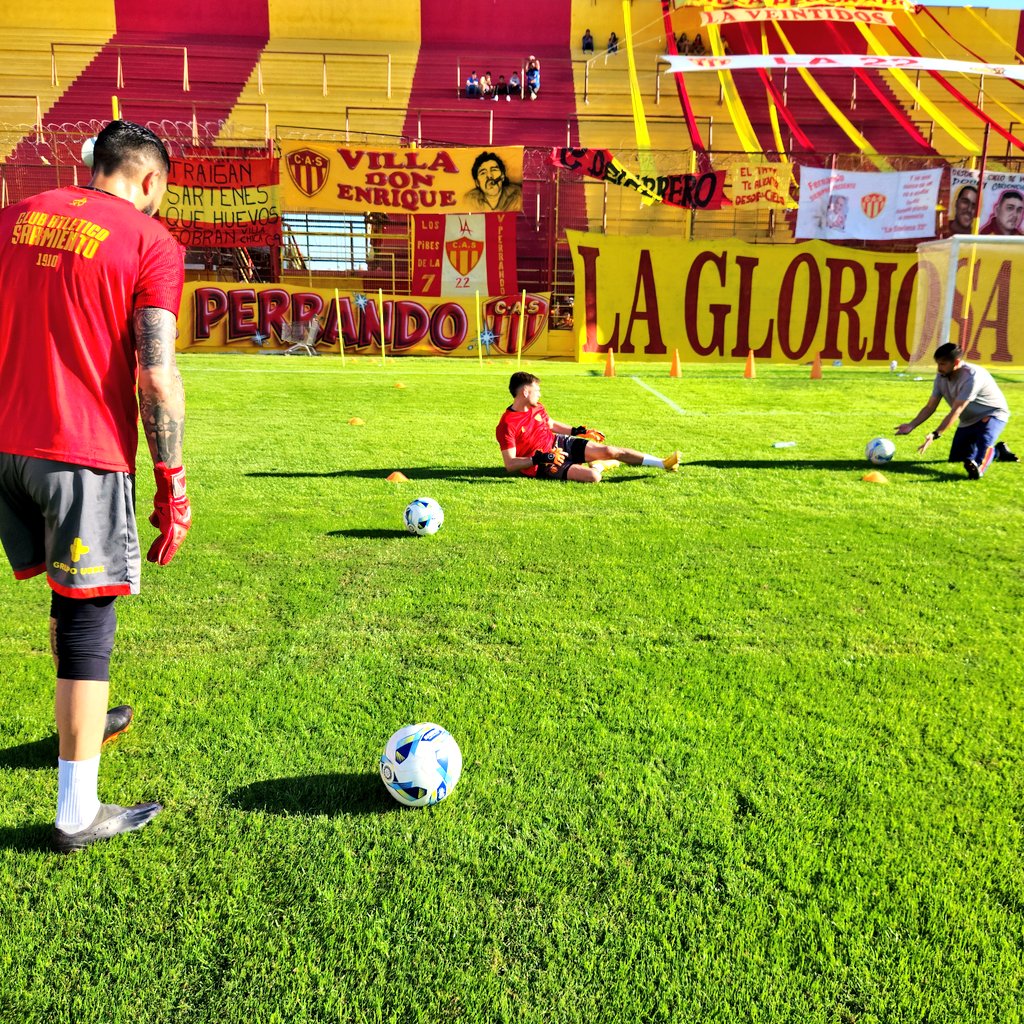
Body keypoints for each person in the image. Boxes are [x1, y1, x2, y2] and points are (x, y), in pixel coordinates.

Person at [0, 120, 190, 851]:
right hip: (79, 451)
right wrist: (172, 479)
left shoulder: (18, 215)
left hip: (6, 445)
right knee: (89, 620)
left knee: (65, 588)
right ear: (148, 181)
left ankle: (90, 718)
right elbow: (155, 370)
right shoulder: (150, 242)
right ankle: (77, 810)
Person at [497, 372, 680, 483]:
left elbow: (551, 424)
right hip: (543, 464)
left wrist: (579, 431)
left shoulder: (537, 407)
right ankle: (599, 466)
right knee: (594, 477)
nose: (540, 394)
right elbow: (510, 464)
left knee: (611, 450)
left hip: (558, 442)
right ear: (525, 392)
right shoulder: (507, 424)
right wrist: (544, 457)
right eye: (537, 390)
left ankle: (662, 463)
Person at [895, 342, 1016, 479]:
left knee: (984, 441)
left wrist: (935, 434)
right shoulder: (941, 377)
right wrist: (912, 425)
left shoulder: (972, 376)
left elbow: (956, 410)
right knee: (957, 459)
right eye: (938, 364)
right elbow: (930, 407)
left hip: (992, 413)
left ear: (956, 362)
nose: (938, 368)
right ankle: (999, 451)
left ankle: (979, 469)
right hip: (968, 420)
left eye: (942, 364)